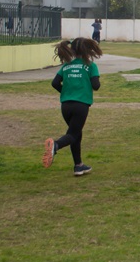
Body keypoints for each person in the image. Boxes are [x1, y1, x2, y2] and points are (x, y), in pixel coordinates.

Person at [43, 37, 103, 176]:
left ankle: (78, 165)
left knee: (76, 133)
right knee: (73, 134)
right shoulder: (90, 65)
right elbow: (96, 86)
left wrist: (67, 92)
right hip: (80, 105)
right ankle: (55, 145)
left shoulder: (66, 65)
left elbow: (55, 83)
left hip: (65, 105)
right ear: (87, 50)